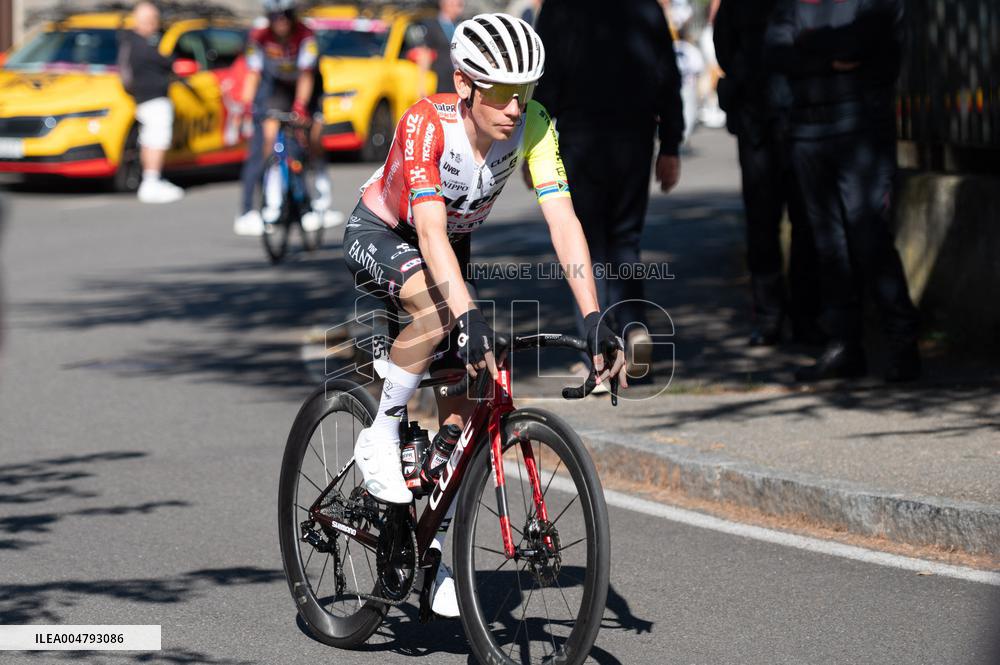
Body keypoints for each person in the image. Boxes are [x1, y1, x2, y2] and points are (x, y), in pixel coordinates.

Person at [343, 13, 627, 616]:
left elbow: (563, 222)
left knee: (470, 392)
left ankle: (441, 552)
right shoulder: (427, 123)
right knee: (440, 315)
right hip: (387, 230)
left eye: (526, 91)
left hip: (450, 244)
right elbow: (426, 228)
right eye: (501, 91)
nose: (515, 107)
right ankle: (382, 433)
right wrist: (464, 312)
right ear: (465, 84)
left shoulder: (536, 126)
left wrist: (594, 317)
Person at [766, 0, 921, 382]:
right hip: (808, 133)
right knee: (827, 245)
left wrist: (808, 46)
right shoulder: (791, 6)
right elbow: (775, 50)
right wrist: (828, 56)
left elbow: (867, 42)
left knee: (869, 237)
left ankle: (903, 345)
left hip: (860, 130)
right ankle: (844, 346)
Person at [534, 0, 684, 380]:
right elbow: (667, 73)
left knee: (586, 246)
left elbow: (545, 79)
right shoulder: (646, 6)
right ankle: (633, 327)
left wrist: (531, 146)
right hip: (634, 137)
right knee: (625, 241)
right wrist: (670, 144)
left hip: (581, 140)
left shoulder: (561, 8)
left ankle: (597, 356)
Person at [714, 0, 822, 347]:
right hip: (758, 121)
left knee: (806, 222)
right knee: (763, 225)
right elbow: (724, 46)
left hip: (800, 119)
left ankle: (804, 317)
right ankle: (771, 318)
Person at [233, 0, 330, 236]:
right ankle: (271, 198)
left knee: (305, 142)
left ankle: (313, 196)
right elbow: (254, 74)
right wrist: (245, 105)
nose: (281, 22)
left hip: (304, 88)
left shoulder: (306, 36)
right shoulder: (259, 37)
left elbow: (306, 75)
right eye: (275, 17)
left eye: (285, 16)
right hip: (275, 89)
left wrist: (300, 106)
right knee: (268, 139)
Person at [118, 1, 184, 204]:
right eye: (154, 21)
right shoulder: (143, 47)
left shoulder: (130, 42)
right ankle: (152, 181)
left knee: (150, 139)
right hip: (153, 100)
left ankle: (151, 179)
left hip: (144, 100)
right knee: (157, 140)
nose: (156, 26)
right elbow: (168, 64)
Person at [415, 0, 464, 96]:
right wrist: (422, 84)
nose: (458, 9)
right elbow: (425, 55)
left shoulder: (459, 26)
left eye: (460, 5)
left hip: (456, 80)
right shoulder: (432, 25)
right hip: (439, 81)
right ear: (443, 4)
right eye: (454, 4)